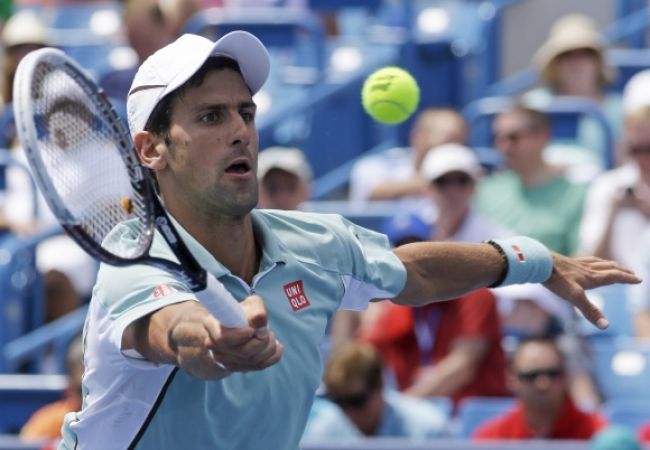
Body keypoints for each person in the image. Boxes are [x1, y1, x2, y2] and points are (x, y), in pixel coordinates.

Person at [58, 31, 639, 450]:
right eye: (211, 117)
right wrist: (214, 345)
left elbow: (417, 273)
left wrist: (531, 260)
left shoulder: (312, 242)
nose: (241, 130)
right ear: (151, 149)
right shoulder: (132, 260)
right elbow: (174, 333)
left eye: (246, 112)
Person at [475, 104, 588, 256]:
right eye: (498, 138)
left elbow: (580, 259)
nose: (504, 147)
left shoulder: (576, 195)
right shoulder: (485, 191)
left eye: (513, 137)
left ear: (542, 137)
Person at [524, 13, 622, 166]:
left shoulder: (620, 109)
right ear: (555, 65)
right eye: (566, 55)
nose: (576, 63)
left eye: (585, 54)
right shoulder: (534, 104)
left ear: (597, 62)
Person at [301, 341, 448, 442]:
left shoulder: (428, 429)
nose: (349, 412)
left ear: (380, 386)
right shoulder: (326, 432)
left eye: (357, 401)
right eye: (339, 401)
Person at [473, 336, 607, 440]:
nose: (543, 384)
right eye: (531, 376)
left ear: (566, 376)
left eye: (552, 374)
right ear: (512, 379)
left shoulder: (597, 434)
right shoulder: (492, 438)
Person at [348, 107, 467, 212]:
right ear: (418, 136)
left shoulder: (467, 177)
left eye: (461, 142)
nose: (455, 150)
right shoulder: (373, 167)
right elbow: (373, 191)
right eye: (449, 140)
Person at [420, 142, 510, 242]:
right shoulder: (409, 231)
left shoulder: (498, 241)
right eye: (442, 181)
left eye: (461, 180)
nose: (452, 190)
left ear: (474, 187)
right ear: (427, 189)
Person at [20, 335, 84, 441]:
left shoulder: (118, 422)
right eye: (82, 390)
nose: (90, 398)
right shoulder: (50, 423)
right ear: (70, 389)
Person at [257, 146, 312, 210]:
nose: (282, 197)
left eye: (290, 187)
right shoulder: (245, 219)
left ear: (305, 190)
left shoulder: (321, 219)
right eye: (272, 189)